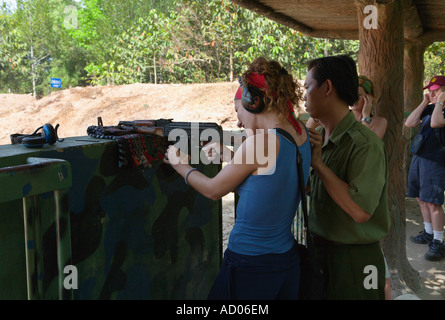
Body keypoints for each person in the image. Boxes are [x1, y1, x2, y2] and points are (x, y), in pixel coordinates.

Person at [163, 57, 311, 300]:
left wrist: (181, 165)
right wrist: (230, 155)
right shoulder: (299, 132)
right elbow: (268, 183)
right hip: (285, 263)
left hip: (251, 265)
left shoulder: (261, 143)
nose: (239, 121)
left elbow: (213, 190)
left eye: (238, 110)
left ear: (253, 102)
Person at [305, 55, 390, 300]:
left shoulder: (364, 144)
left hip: (355, 260)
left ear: (328, 88)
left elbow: (360, 211)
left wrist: (319, 165)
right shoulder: (320, 137)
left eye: (308, 87)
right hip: (322, 253)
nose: (304, 96)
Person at [405, 75, 445, 261]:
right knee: (421, 199)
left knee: (433, 203)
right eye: (431, 90)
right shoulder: (429, 107)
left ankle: (438, 241)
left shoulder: (440, 110)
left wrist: (440, 103)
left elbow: (437, 122)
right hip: (419, 157)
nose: (432, 93)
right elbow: (410, 123)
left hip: (435, 161)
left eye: (436, 90)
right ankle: (428, 233)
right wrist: (424, 101)